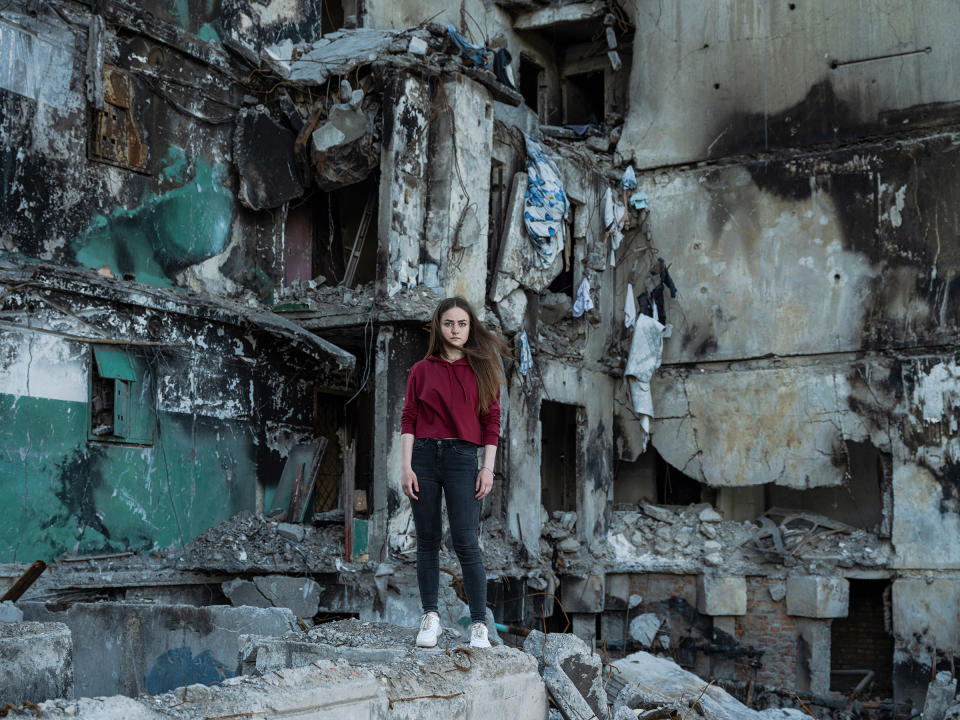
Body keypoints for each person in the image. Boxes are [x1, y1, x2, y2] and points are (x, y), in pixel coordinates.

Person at [400, 296, 508, 649]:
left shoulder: (484, 368)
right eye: (449, 323)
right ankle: (430, 618)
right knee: (428, 540)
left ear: (470, 327)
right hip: (424, 457)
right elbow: (409, 420)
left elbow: (492, 422)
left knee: (465, 541)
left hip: (464, 458)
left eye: (462, 323)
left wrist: (487, 468)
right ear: (438, 327)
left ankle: (479, 624)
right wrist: (405, 467)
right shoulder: (421, 370)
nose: (456, 330)